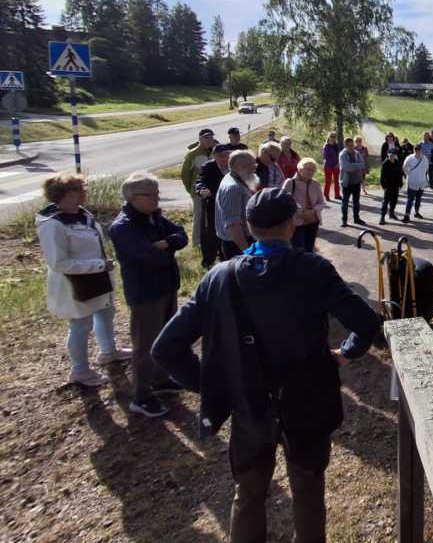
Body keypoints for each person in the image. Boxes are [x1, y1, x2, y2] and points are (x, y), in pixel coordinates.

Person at [152, 188, 381, 543]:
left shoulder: (219, 277)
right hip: (307, 400)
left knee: (248, 492)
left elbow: (165, 348)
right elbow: (366, 322)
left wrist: (214, 383)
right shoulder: (312, 269)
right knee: (308, 489)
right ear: (291, 225)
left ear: (249, 227)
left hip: (248, 403)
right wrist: (346, 354)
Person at [36, 173, 131, 387]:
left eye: (83, 187)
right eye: (77, 189)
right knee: (80, 325)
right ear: (61, 194)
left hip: (97, 277)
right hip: (74, 283)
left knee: (106, 312)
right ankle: (79, 370)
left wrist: (101, 267)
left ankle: (109, 351)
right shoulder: (52, 224)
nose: (83, 192)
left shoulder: (83, 214)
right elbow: (58, 263)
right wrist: (98, 266)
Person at [108, 173, 188, 417]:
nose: (157, 198)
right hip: (146, 292)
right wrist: (167, 247)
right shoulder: (124, 228)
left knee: (164, 337)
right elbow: (151, 258)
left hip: (167, 286)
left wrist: (166, 243)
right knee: (145, 345)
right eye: (151, 195)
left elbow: (181, 235)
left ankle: (160, 380)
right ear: (133, 199)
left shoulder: (153, 216)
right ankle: (141, 396)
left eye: (157, 193)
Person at [195, 144, 232, 268]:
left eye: (226, 155)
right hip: (212, 204)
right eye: (220, 155)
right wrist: (202, 190)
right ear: (213, 156)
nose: (223, 158)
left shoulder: (233, 166)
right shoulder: (208, 167)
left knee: (227, 231)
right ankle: (208, 261)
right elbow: (200, 181)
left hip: (229, 204)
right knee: (210, 234)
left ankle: (224, 258)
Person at [217, 151, 257, 260]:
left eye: (254, 164)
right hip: (237, 246)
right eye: (250, 164)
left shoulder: (237, 179)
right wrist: (248, 253)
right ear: (237, 165)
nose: (254, 167)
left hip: (243, 242)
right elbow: (233, 225)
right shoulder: (233, 188)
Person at [181, 128, 217, 247]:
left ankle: (210, 241)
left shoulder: (213, 153)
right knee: (199, 216)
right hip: (198, 191)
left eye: (211, 137)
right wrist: (191, 189)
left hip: (212, 191)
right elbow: (185, 174)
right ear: (200, 139)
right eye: (207, 137)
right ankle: (196, 242)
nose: (210, 140)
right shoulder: (193, 154)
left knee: (211, 216)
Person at [283, 158, 325, 251]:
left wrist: (313, 212)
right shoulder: (290, 183)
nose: (310, 172)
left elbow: (321, 203)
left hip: (313, 221)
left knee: (309, 250)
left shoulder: (316, 183)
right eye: (307, 169)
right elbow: (286, 202)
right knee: (299, 250)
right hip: (296, 222)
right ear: (300, 169)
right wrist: (301, 212)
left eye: (313, 170)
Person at [339, 137, 366, 227]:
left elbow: (362, 165)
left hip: (356, 181)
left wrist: (353, 164)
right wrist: (356, 166)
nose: (351, 147)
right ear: (345, 146)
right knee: (345, 202)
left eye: (352, 145)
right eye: (349, 146)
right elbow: (347, 168)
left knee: (356, 201)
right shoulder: (342, 155)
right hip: (346, 182)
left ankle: (356, 218)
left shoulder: (356, 153)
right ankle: (344, 220)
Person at [402, 143, 429, 223]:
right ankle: (407, 214)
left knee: (418, 198)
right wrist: (409, 174)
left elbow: (426, 168)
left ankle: (416, 212)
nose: (417, 151)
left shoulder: (425, 158)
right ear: (414, 150)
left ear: (421, 150)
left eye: (419, 149)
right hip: (412, 181)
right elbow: (404, 168)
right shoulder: (410, 158)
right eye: (416, 149)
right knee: (410, 198)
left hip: (421, 182)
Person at [379, 148, 404, 224]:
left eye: (393, 155)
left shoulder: (397, 162)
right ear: (388, 155)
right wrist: (384, 186)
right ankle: (382, 216)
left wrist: (400, 183)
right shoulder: (385, 163)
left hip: (395, 185)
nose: (392, 156)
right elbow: (382, 177)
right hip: (388, 185)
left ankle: (391, 213)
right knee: (385, 201)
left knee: (394, 200)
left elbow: (399, 174)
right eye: (390, 155)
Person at [322, 132, 341, 201]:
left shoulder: (337, 146)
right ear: (329, 137)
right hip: (328, 166)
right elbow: (326, 157)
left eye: (334, 137)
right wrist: (334, 164)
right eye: (332, 136)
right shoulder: (326, 146)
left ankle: (337, 194)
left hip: (337, 165)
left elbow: (340, 155)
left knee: (337, 180)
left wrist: (338, 163)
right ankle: (326, 195)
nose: (333, 138)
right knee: (328, 181)